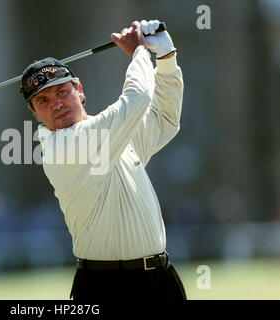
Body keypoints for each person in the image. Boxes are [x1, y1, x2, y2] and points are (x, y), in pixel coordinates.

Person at [19, 19, 186, 300]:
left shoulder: (111, 133)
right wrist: (139, 52)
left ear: (79, 90)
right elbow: (138, 98)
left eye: (62, 91)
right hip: (105, 286)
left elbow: (164, 118)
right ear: (35, 114)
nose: (56, 104)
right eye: (43, 101)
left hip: (161, 281)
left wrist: (167, 58)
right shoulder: (63, 147)